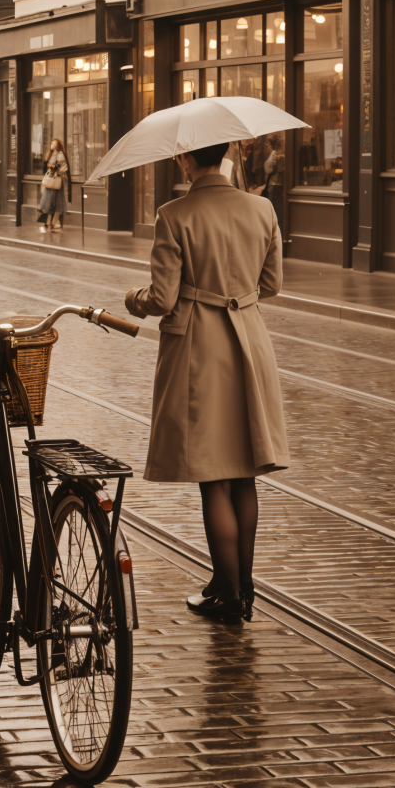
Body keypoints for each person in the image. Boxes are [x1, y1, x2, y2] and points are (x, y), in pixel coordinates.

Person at [121, 140, 289, 624]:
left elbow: (163, 295)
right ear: (226, 154)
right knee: (243, 471)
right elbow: (272, 285)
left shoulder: (174, 214)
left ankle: (229, 594)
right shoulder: (262, 208)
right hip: (250, 344)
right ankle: (241, 585)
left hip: (201, 347)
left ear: (186, 159)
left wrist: (134, 299)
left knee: (213, 475)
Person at [38, 139, 69, 232]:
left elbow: (54, 168)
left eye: (53, 143)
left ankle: (50, 224)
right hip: (54, 182)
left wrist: (52, 173)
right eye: (51, 143)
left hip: (55, 183)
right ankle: (50, 224)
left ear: (57, 145)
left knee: (53, 204)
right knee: (53, 204)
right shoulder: (54, 154)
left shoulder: (58, 154)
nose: (51, 144)